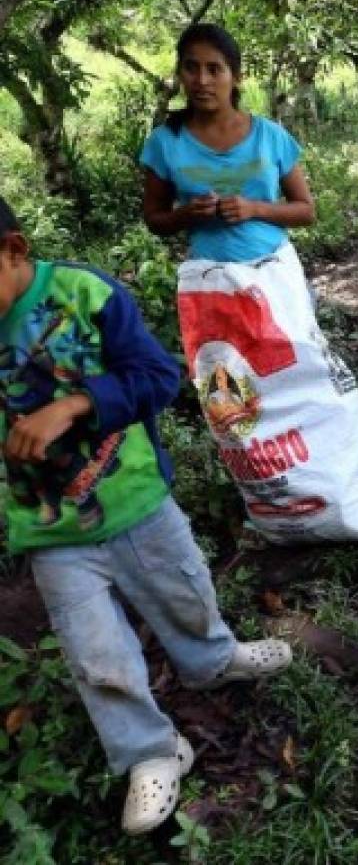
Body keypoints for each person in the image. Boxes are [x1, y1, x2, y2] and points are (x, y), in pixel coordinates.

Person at [0, 195, 293, 836]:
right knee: (95, 653)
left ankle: (212, 658)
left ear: (15, 250)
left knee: (185, 591)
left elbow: (157, 376)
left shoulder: (83, 293)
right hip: (49, 528)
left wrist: (74, 405)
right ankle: (152, 752)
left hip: (135, 500)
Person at [141, 23, 315, 267]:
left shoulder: (270, 136)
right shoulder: (165, 142)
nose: (202, 80)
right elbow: (154, 220)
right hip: (208, 278)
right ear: (180, 73)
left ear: (236, 77)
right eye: (191, 68)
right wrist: (187, 214)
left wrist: (254, 209)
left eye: (214, 70)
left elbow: (306, 211)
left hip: (273, 269)